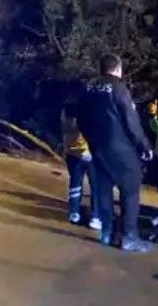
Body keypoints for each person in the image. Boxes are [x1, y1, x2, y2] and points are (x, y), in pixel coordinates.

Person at [78, 53, 154, 252]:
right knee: (130, 191)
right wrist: (144, 146)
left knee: (104, 191)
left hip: (98, 148)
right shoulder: (119, 88)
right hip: (121, 148)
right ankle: (129, 236)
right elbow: (130, 120)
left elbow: (80, 118)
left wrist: (91, 140)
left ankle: (107, 233)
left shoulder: (89, 88)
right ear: (118, 68)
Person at [61, 95, 102, 230]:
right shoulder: (88, 114)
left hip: (72, 153)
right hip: (89, 154)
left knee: (75, 183)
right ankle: (95, 216)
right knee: (96, 186)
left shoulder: (66, 115)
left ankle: (74, 212)